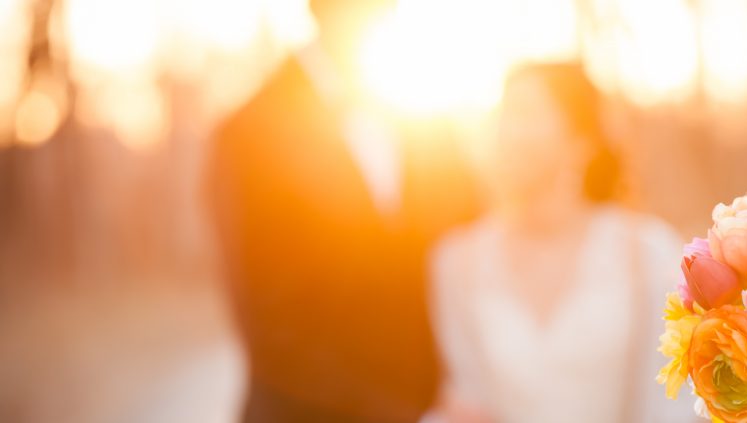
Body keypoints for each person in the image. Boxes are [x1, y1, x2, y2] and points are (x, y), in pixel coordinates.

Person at [205, 0, 478, 421]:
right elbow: (272, 331)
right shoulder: (248, 134)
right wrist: (404, 415)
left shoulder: (429, 119)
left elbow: (469, 248)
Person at [428, 63, 698, 423]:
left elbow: (670, 404)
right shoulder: (456, 261)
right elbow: (467, 400)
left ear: (581, 142)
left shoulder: (648, 250)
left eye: (524, 113)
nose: (504, 131)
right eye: (501, 114)